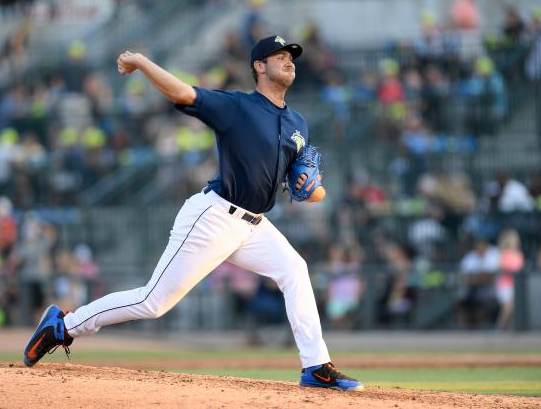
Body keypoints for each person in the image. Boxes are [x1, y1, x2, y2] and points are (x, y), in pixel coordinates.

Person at [23, 35, 364, 392]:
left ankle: (316, 367)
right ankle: (64, 325)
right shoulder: (237, 107)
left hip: (254, 225)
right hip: (214, 217)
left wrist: (313, 188)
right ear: (258, 67)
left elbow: (309, 190)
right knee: (152, 302)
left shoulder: (298, 124)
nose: (289, 61)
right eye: (279, 56)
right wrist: (141, 62)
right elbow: (183, 94)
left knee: (295, 269)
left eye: (290, 56)